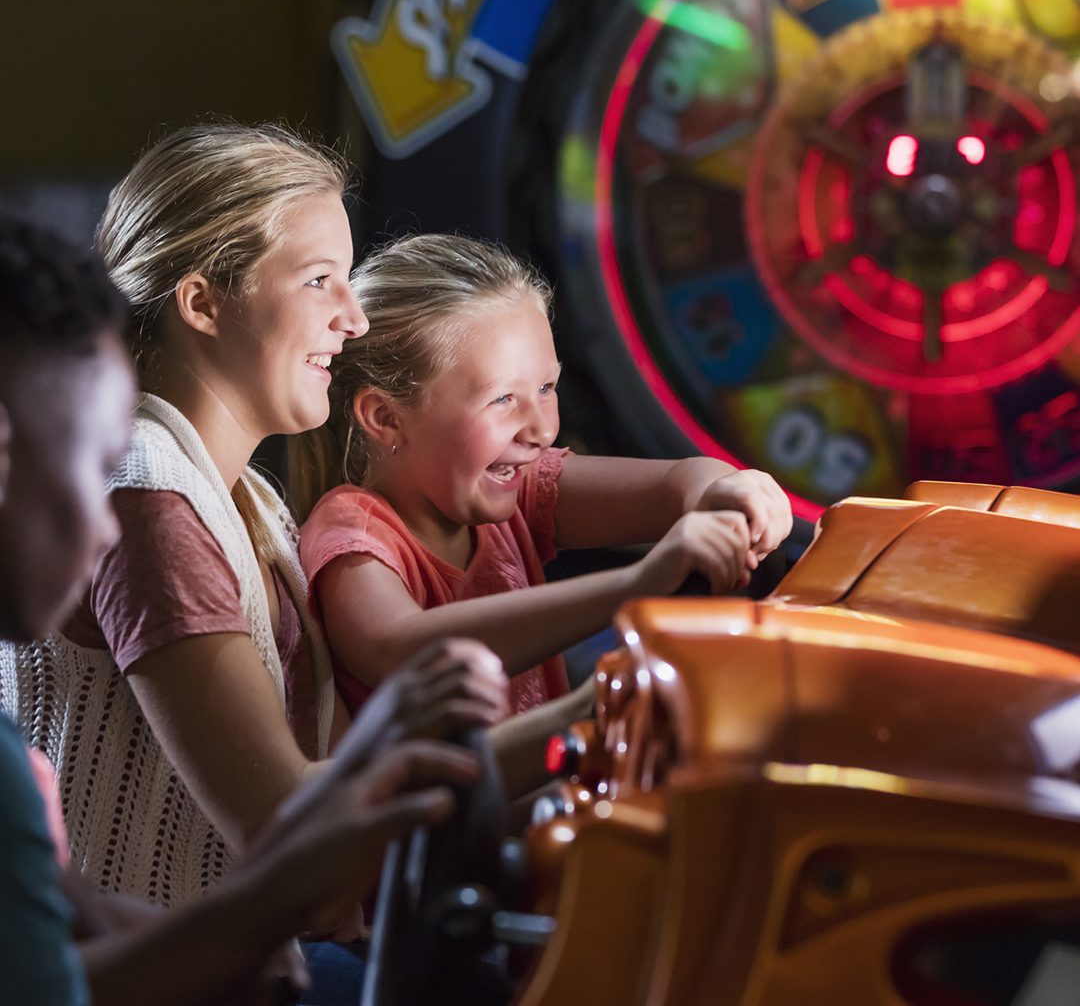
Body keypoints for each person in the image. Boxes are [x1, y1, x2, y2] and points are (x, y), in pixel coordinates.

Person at [0, 125, 509, 915]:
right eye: (319, 281)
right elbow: (280, 818)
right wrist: (587, 716)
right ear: (203, 302)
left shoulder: (249, 502)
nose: (356, 318)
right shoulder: (149, 494)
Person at [291, 233, 792, 784]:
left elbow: (681, 481)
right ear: (386, 418)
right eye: (503, 400)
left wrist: (731, 494)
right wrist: (638, 583)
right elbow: (403, 650)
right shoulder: (353, 531)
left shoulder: (517, 490)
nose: (542, 429)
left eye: (547, 387)